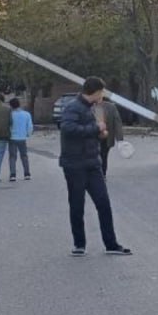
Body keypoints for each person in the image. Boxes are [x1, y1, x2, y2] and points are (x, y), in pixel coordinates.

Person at [59, 77, 131, 256]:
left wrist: (100, 133)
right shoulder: (73, 107)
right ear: (97, 92)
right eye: (102, 92)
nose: (102, 96)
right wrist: (94, 129)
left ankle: (111, 244)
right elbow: (67, 129)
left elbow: (89, 131)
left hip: (92, 163)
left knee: (103, 203)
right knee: (77, 205)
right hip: (75, 164)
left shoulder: (92, 108)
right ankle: (79, 244)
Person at [8, 97, 34, 182]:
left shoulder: (10, 115)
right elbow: (30, 126)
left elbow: (8, 126)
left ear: (11, 106)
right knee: (24, 156)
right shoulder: (26, 114)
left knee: (12, 157)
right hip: (22, 138)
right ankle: (27, 174)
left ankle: (13, 175)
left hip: (12, 138)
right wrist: (27, 134)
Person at [98, 97, 125, 177]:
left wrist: (120, 139)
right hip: (92, 137)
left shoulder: (111, 107)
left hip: (106, 138)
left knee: (103, 155)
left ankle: (102, 174)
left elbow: (117, 122)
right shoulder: (89, 106)